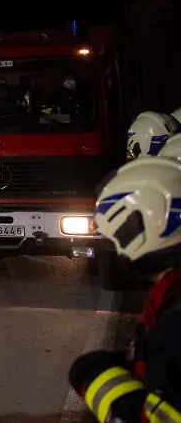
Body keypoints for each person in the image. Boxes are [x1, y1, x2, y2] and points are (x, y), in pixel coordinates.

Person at [69, 157, 181, 421]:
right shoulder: (170, 300)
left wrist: (100, 381)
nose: (117, 251)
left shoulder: (174, 329)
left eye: (116, 238)